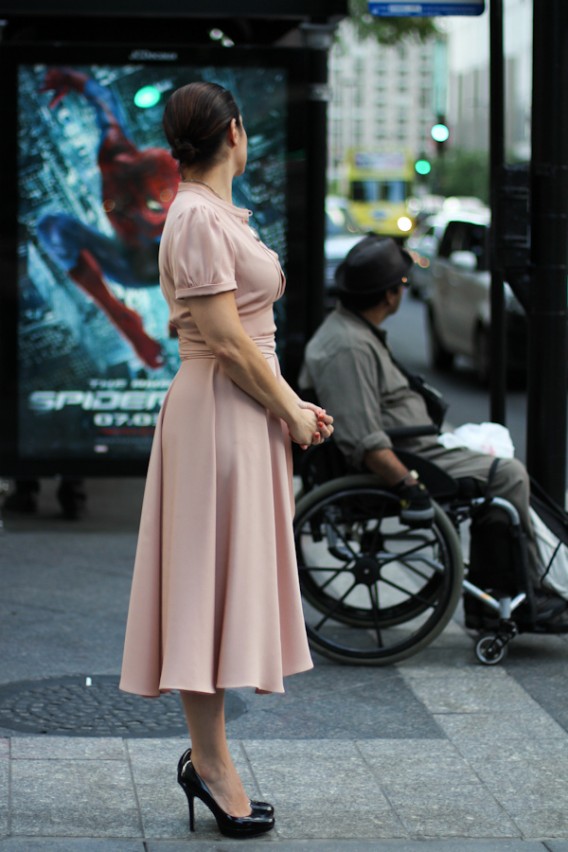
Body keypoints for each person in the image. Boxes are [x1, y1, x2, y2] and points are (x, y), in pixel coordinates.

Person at [119, 81, 333, 840]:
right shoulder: (196, 217)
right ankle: (210, 765)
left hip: (233, 411)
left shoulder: (204, 215)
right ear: (235, 133)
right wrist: (291, 407)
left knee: (210, 586)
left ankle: (209, 761)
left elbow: (244, 340)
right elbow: (231, 343)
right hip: (219, 412)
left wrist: (287, 404)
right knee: (204, 590)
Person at [299, 234, 568, 628]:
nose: (404, 292)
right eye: (402, 285)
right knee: (507, 475)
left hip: (415, 443)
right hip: (405, 457)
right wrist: (409, 485)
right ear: (389, 296)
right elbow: (365, 441)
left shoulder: (352, 330)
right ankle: (522, 593)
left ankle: (509, 587)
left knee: (499, 461)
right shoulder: (348, 347)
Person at [38, 68, 180, 369]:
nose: (158, 212)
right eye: (155, 205)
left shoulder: (181, 214)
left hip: (168, 267)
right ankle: (123, 317)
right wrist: (73, 80)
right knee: (52, 226)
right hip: (128, 266)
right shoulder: (116, 156)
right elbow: (106, 104)